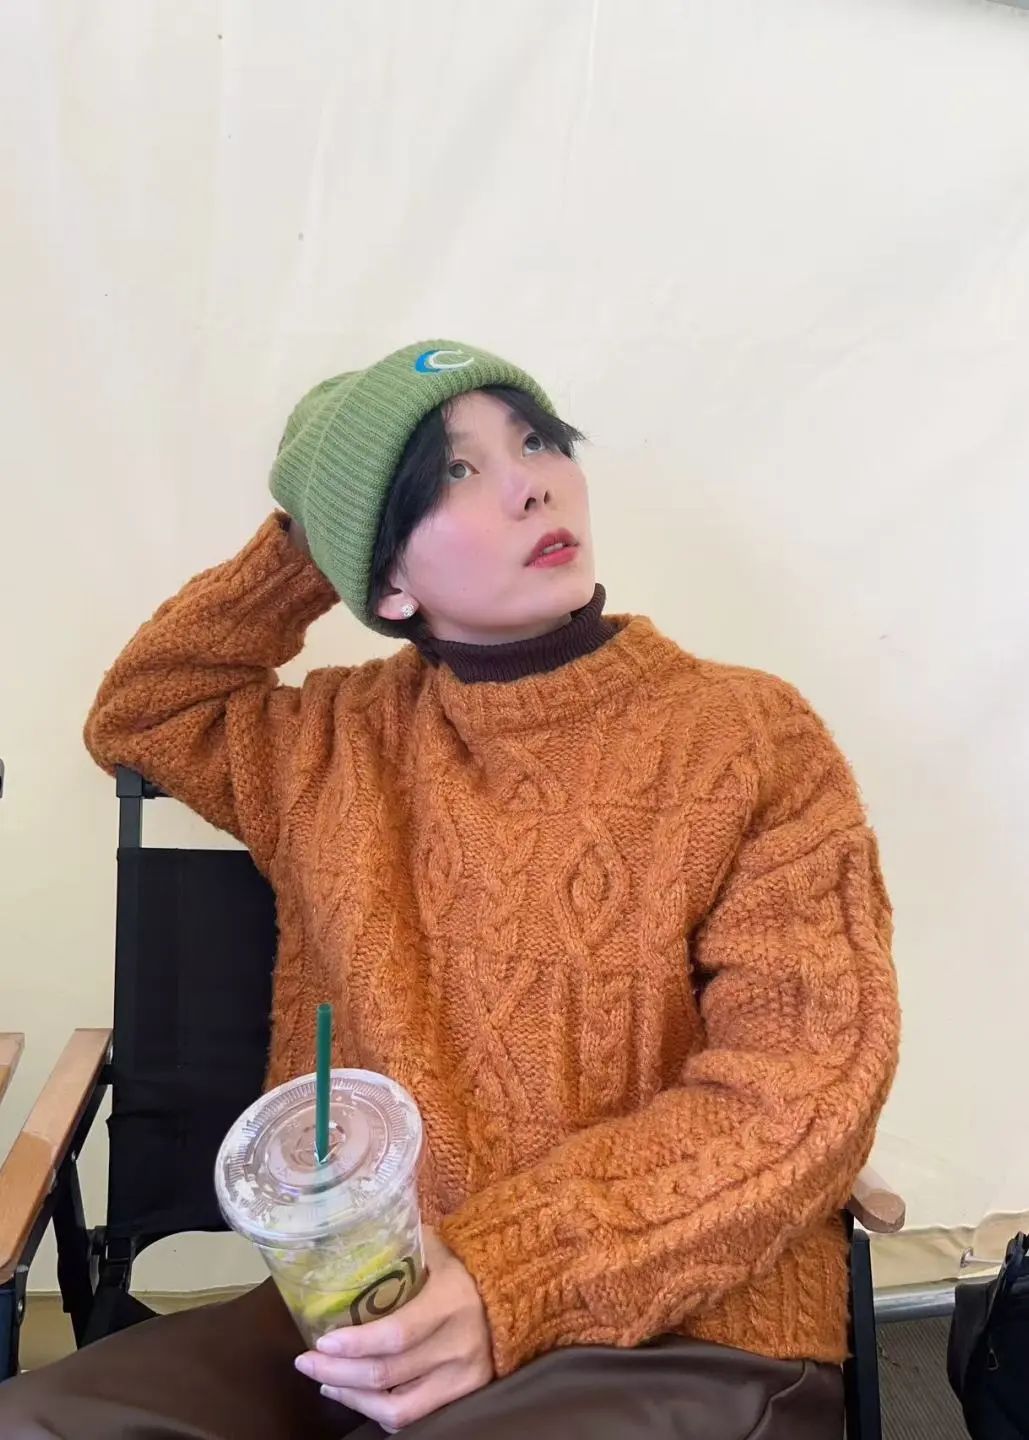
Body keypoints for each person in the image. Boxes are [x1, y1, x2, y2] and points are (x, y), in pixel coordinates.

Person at [0, 339, 900, 1440]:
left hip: (680, 1329)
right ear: (381, 579)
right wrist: (319, 526)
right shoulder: (327, 742)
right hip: (358, 1310)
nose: (530, 484)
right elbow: (144, 711)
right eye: (454, 474)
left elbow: (804, 1085)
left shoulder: (748, 735)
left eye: (536, 442)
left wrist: (507, 1275)